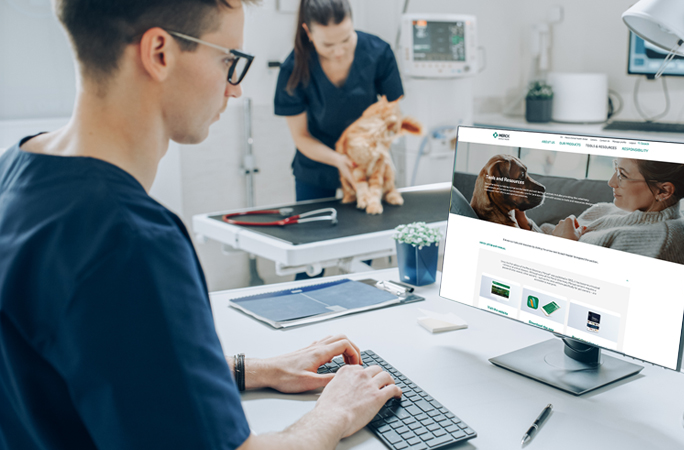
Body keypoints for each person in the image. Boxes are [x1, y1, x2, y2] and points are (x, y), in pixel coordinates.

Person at [0, 1, 400, 449]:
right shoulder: (131, 242)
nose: (236, 91)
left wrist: (259, 369)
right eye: (229, 60)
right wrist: (337, 411)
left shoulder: (16, 170)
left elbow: (106, 359)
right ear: (160, 53)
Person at [274, 0, 404, 279]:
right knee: (311, 259)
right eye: (327, 45)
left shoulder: (378, 52)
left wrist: (373, 150)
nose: (339, 51)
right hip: (316, 166)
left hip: (364, 163)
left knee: (362, 258)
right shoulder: (294, 68)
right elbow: (301, 136)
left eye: (346, 39)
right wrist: (338, 159)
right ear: (308, 32)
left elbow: (392, 112)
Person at [515, 158, 684, 265]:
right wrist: (525, 224)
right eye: (616, 170)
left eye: (623, 175)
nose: (611, 182)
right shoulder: (609, 209)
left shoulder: (657, 242)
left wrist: (566, 247)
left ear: (663, 191)